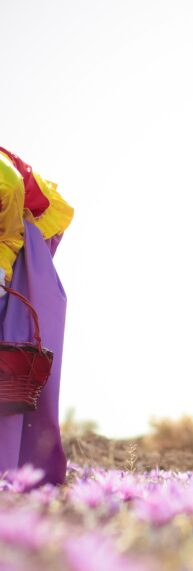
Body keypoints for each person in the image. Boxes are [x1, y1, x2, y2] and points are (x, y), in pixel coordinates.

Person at [0, 147, 73, 486]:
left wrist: (1, 272)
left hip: (26, 234)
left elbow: (10, 232)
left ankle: (21, 469)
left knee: (15, 340)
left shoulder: (4, 178)